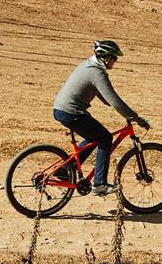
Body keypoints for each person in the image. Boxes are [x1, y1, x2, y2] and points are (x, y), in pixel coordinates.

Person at [53, 39, 149, 196]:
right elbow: (114, 100)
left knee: (93, 137)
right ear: (106, 57)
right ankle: (99, 184)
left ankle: (65, 170)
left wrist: (116, 105)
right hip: (71, 112)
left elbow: (106, 97)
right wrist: (135, 117)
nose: (115, 62)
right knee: (104, 138)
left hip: (61, 109)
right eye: (114, 58)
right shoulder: (97, 72)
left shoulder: (89, 65)